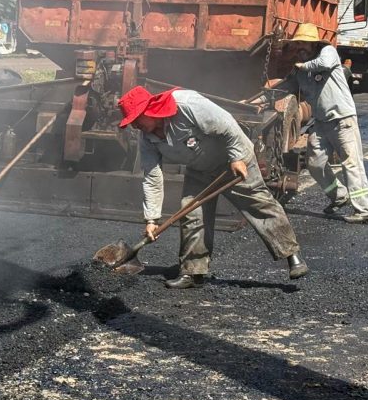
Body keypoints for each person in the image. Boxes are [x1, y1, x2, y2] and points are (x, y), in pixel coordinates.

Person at [118, 86, 309, 289]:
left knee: (259, 205)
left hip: (232, 160)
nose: (135, 126)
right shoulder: (147, 138)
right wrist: (152, 219)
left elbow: (227, 124)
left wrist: (236, 157)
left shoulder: (185, 104)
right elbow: (152, 176)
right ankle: (192, 272)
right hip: (199, 171)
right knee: (192, 213)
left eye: (137, 120)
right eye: (132, 123)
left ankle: (292, 255)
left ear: (149, 110)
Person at [278, 23, 368, 224]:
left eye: (304, 44)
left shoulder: (328, 53)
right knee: (315, 163)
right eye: (297, 45)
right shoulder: (300, 71)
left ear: (314, 44)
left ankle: (364, 209)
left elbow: (321, 64)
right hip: (322, 122)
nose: (300, 48)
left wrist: (301, 66)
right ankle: (339, 195)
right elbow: (284, 88)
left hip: (342, 119)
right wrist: (258, 99)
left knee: (351, 162)